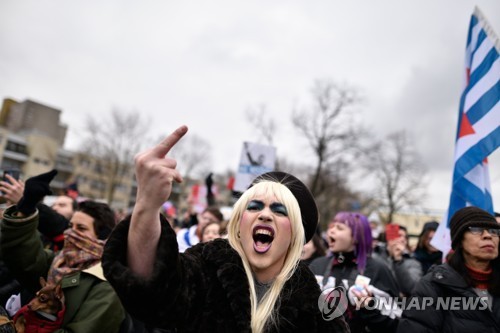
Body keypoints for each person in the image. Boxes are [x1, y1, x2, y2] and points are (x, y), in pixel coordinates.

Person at [102, 125, 349, 333]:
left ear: (295, 234)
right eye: (254, 207)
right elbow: (152, 286)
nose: (264, 214)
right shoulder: (207, 266)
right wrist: (147, 202)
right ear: (239, 224)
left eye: (279, 210)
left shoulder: (314, 306)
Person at [0, 170, 125, 333]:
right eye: (70, 226)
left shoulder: (108, 285)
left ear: (102, 238)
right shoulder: (58, 262)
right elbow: (22, 256)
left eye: (81, 228)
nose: (70, 233)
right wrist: (25, 206)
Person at [397, 206, 500, 332]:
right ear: (459, 240)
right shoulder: (434, 286)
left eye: (494, 231)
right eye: (476, 229)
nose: (488, 235)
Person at [309, 211, 400, 332]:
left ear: (356, 237)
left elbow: (396, 321)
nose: (331, 231)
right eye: (332, 226)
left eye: (339, 228)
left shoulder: (377, 269)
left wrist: (369, 308)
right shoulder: (318, 265)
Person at [373, 225, 422, 296]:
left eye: (405, 237)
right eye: (399, 235)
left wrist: (398, 260)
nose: (403, 239)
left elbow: (412, 289)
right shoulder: (375, 256)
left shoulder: (413, 263)